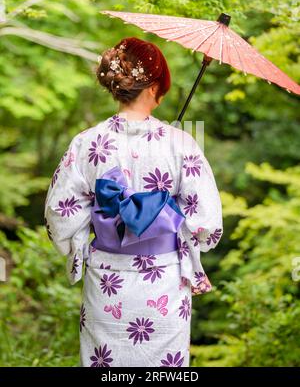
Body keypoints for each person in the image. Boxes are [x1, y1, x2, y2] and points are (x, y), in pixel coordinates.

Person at [44, 37, 223, 367]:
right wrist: (167, 218)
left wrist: (82, 245)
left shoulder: (86, 142)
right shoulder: (180, 143)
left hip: (107, 281)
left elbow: (60, 213)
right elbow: (206, 222)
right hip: (164, 284)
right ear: (154, 87)